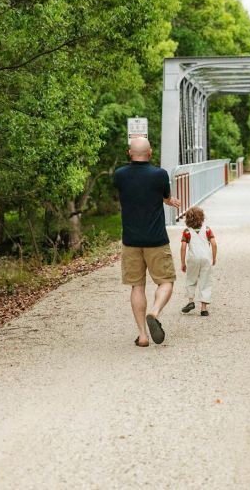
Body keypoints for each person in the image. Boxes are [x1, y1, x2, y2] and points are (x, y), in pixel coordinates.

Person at [114, 137, 180, 346]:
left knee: (137, 286)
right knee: (166, 281)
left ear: (129, 153)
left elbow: (134, 194)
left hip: (131, 240)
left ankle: (143, 335)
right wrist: (169, 201)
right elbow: (162, 195)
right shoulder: (160, 175)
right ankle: (155, 312)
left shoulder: (120, 175)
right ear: (150, 153)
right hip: (156, 240)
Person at [179, 207, 217, 317]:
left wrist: (183, 262)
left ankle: (191, 301)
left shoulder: (187, 232)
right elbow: (214, 244)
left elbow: (183, 246)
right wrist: (213, 258)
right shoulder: (207, 230)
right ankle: (204, 309)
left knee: (191, 279)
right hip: (206, 259)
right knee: (205, 281)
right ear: (202, 218)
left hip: (193, 259)